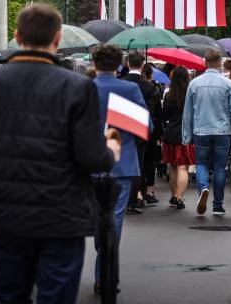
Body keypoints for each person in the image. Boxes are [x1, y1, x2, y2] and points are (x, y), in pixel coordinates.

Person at [0, 3, 119, 304]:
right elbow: (91, 157)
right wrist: (110, 151)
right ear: (57, 39)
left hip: (5, 215)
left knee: (10, 296)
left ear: (17, 36)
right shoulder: (78, 87)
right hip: (62, 217)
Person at [91, 43, 147, 293]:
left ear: (94, 64)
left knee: (96, 217)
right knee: (114, 219)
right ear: (120, 65)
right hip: (122, 164)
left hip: (89, 163)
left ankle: (101, 259)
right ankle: (105, 272)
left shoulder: (85, 88)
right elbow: (145, 127)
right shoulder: (129, 89)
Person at [182, 49, 231, 216]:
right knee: (219, 168)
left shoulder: (194, 84)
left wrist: (186, 135)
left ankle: (203, 188)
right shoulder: (229, 84)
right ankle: (218, 205)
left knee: (201, 163)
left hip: (201, 130)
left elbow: (188, 112)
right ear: (219, 63)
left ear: (204, 62)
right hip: (223, 131)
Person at [123, 52, 162, 213]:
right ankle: (134, 198)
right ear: (142, 65)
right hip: (142, 129)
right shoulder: (150, 87)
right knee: (138, 163)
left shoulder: (121, 83)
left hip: (122, 126)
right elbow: (153, 112)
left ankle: (125, 197)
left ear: (127, 64)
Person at [160, 66, 194, 209]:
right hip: (186, 132)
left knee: (172, 165)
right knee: (183, 167)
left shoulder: (169, 95)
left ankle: (174, 195)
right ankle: (180, 197)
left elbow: (164, 116)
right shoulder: (191, 94)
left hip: (170, 132)